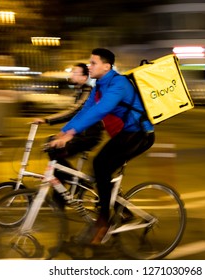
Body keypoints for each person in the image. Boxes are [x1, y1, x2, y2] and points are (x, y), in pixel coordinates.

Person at [49, 48, 155, 244]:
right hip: (126, 134)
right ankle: (121, 211)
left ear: (107, 66)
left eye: (93, 63)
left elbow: (101, 110)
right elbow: (85, 111)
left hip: (140, 134)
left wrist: (71, 134)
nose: (89, 66)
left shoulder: (118, 83)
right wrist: (64, 132)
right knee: (100, 170)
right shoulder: (99, 86)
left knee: (101, 166)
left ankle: (104, 222)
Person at [35, 63, 104, 186]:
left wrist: (47, 120)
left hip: (88, 136)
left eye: (75, 72)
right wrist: (62, 133)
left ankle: (78, 182)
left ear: (84, 77)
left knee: (54, 151)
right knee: (52, 148)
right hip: (81, 134)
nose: (71, 74)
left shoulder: (87, 92)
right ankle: (61, 196)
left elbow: (73, 112)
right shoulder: (80, 91)